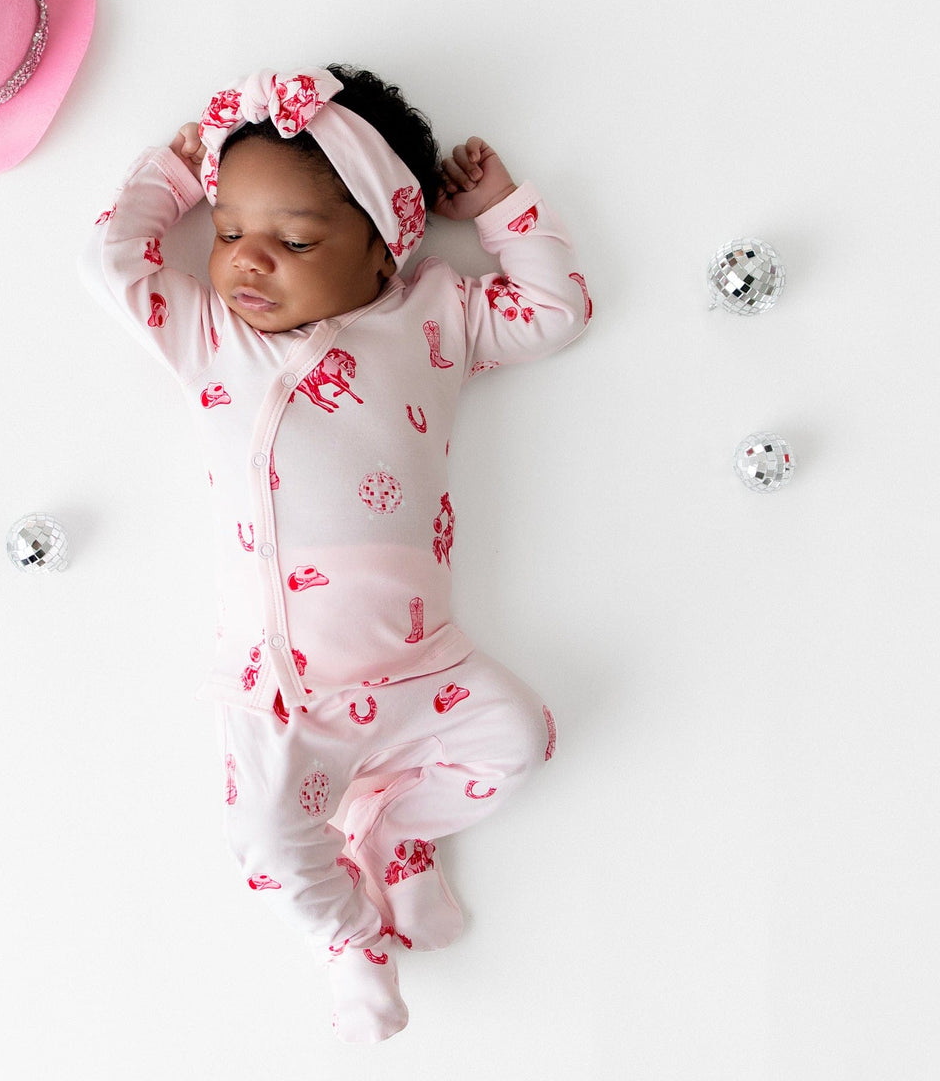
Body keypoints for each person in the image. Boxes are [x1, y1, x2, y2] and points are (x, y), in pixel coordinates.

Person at [80, 65, 591, 1043]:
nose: (245, 264)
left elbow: (556, 312)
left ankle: (394, 830)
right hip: (287, 683)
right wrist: (173, 178)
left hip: (425, 661)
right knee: (267, 843)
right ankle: (350, 937)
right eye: (230, 234)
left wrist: (502, 210)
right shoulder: (214, 334)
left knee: (521, 739)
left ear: (384, 246)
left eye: (295, 240)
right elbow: (109, 265)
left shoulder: (435, 317)